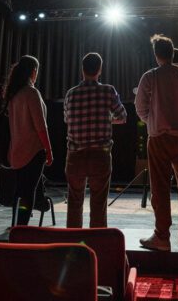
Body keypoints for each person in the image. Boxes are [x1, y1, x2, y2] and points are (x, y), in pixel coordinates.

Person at [135, 35, 178, 252]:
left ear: (156, 55)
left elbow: (140, 107)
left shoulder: (150, 76)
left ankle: (162, 237)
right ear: (173, 53)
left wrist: (152, 120)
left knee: (160, 188)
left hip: (159, 137)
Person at [64, 52, 127, 228]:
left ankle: (74, 247)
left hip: (75, 155)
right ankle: (97, 245)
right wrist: (107, 119)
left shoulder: (71, 94)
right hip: (100, 155)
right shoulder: (108, 91)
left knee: (74, 203)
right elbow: (122, 117)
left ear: (82, 70)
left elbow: (67, 120)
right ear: (99, 69)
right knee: (98, 204)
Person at [3, 55, 53, 226]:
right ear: (33, 72)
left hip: (16, 151)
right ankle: (22, 227)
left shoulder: (13, 95)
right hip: (32, 151)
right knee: (28, 193)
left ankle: (16, 224)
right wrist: (49, 150)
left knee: (19, 191)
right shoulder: (32, 93)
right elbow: (41, 126)